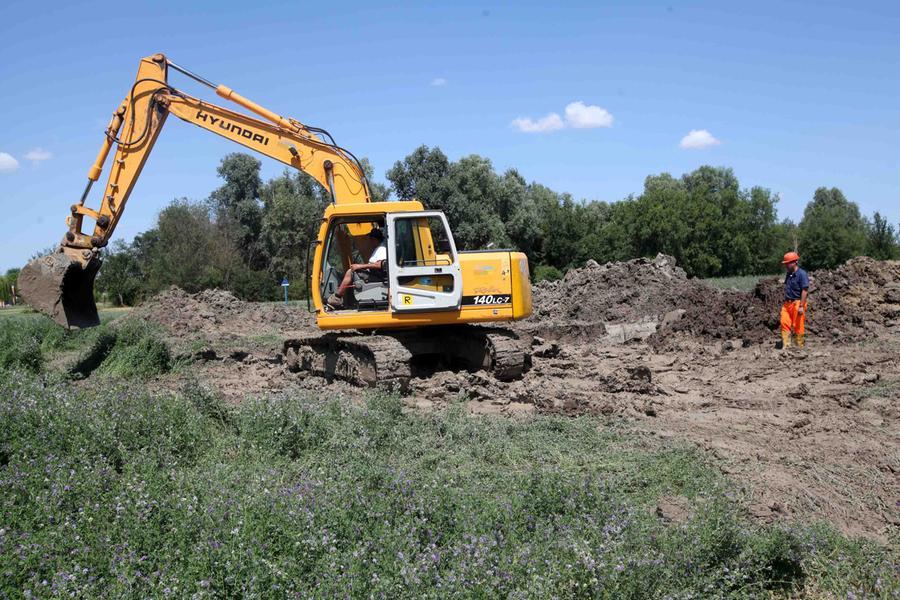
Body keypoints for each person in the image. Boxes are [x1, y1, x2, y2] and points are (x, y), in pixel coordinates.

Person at [327, 226, 387, 309]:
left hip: (376, 277)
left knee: (350, 272)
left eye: (370, 239)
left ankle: (336, 298)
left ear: (374, 239)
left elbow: (380, 265)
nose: (369, 241)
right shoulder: (378, 248)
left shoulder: (382, 249)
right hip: (373, 274)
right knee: (353, 271)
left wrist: (359, 266)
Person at [780, 251, 809, 348]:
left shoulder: (802, 274)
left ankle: (799, 346)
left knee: (798, 325)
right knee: (784, 322)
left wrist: (801, 306)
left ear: (794, 262)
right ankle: (786, 345)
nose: (786, 266)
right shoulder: (789, 274)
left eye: (788, 263)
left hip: (798, 303)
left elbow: (805, 290)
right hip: (787, 303)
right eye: (786, 263)